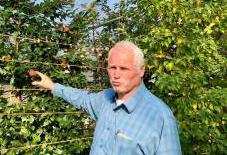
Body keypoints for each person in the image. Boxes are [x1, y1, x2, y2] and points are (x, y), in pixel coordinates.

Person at [32, 40, 182, 155]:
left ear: (141, 70)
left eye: (124, 68)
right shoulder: (105, 99)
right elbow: (82, 99)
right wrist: (53, 86)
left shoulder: (160, 117)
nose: (116, 75)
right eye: (112, 68)